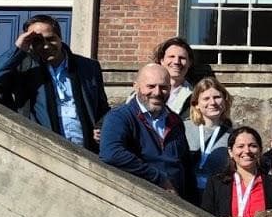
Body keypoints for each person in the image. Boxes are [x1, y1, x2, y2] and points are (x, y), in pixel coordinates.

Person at [0, 14, 109, 151]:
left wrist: (102, 126)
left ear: (60, 38)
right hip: (42, 151)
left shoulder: (87, 67)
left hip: (86, 152)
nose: (45, 46)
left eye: (51, 39)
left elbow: (102, 108)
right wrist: (17, 49)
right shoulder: (22, 67)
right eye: (38, 41)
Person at [99, 64, 192, 198]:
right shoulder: (120, 117)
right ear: (136, 86)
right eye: (151, 86)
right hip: (140, 200)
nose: (157, 92)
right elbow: (111, 153)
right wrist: (158, 178)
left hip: (177, 203)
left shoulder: (175, 122)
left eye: (164, 87)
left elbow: (185, 166)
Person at [198, 126, 272, 217]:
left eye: (252, 146)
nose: (247, 150)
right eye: (240, 146)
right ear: (231, 152)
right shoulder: (216, 183)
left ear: (260, 150)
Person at [184, 78, 234, 195]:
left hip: (217, 196)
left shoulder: (233, 135)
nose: (212, 102)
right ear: (196, 104)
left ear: (225, 101)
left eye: (217, 97)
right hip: (187, 195)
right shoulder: (182, 129)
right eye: (206, 98)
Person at [153, 37, 201, 118]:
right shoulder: (145, 91)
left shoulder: (197, 97)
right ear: (162, 61)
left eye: (182, 58)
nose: (176, 62)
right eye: (171, 56)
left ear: (190, 63)